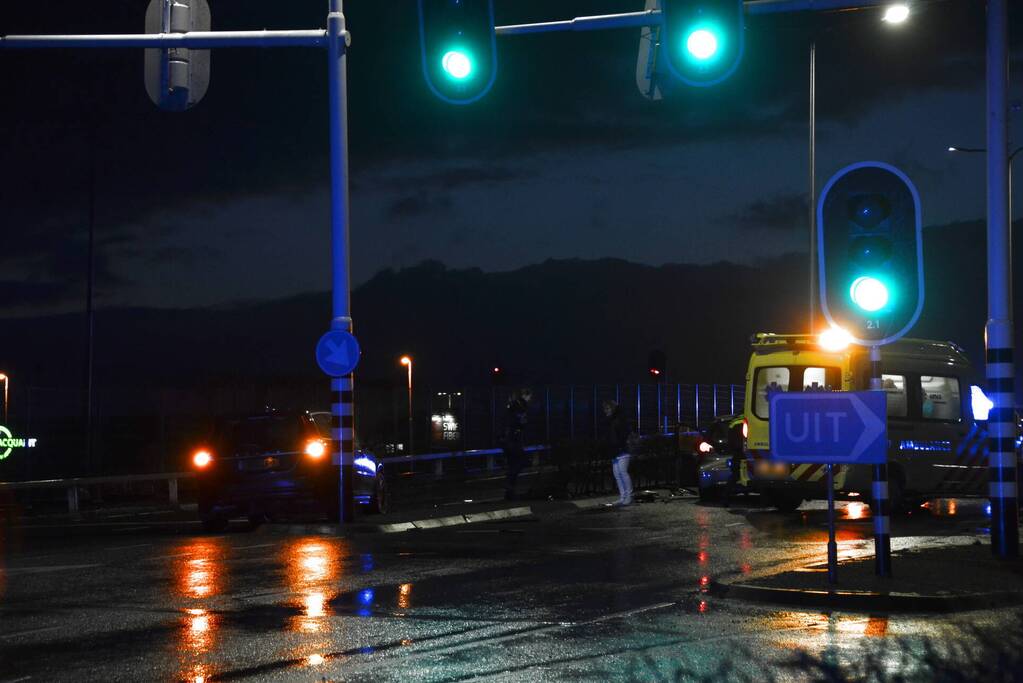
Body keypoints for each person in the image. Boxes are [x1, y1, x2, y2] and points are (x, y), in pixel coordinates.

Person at [603, 399, 634, 507]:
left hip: (621, 449)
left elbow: (622, 434)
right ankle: (623, 497)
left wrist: (619, 446)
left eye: (607, 408)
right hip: (617, 449)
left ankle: (628, 497)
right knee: (618, 473)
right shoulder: (613, 420)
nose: (605, 411)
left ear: (612, 409)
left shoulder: (618, 420)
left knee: (622, 472)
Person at [503, 388, 531, 500]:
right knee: (520, 462)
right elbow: (521, 422)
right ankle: (510, 488)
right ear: (525, 395)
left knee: (513, 464)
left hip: (510, 440)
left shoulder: (512, 406)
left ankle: (509, 490)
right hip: (514, 440)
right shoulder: (520, 407)